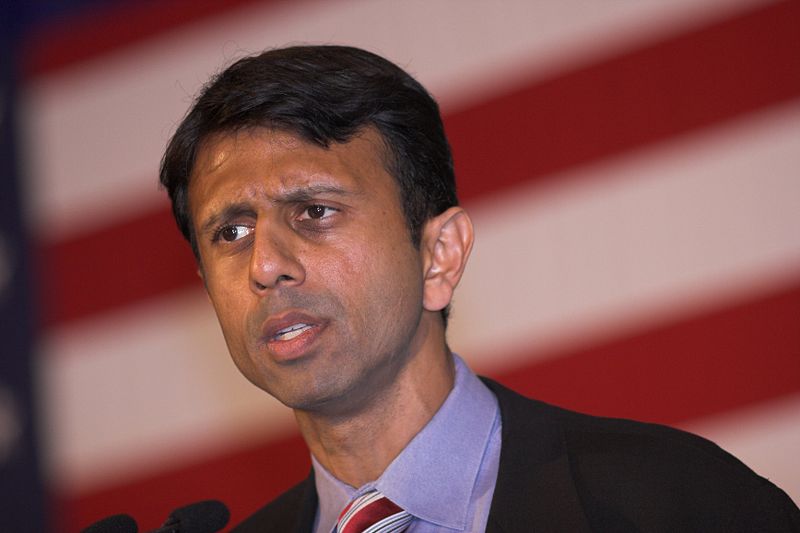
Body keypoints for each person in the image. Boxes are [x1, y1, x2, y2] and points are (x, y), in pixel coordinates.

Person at [159, 45, 799, 532]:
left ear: (439, 256)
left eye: (315, 212)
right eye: (232, 232)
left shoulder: (676, 502)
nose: (264, 265)